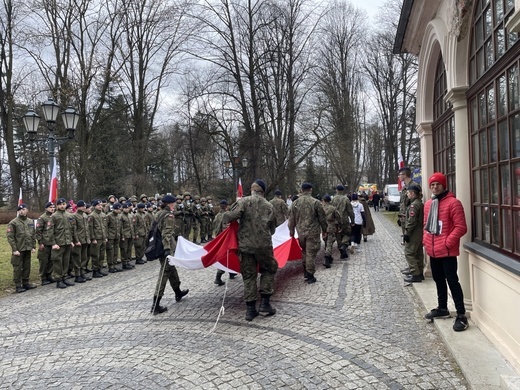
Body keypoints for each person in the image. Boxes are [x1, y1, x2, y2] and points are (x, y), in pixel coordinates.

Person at [223, 180, 278, 321]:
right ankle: (265, 304)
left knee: (249, 276)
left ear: (252, 190)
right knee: (269, 269)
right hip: (264, 246)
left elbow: (228, 217)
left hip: (245, 246)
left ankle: (250, 310)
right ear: (263, 191)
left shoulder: (243, 202)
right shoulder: (269, 206)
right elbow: (272, 229)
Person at [423, 172, 469, 332]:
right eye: (432, 185)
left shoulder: (453, 203)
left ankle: (461, 314)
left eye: (438, 184)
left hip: (447, 251)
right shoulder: (429, 204)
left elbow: (461, 227)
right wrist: (425, 241)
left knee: (452, 282)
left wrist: (448, 243)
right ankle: (442, 307)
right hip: (433, 250)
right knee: (438, 279)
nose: (435, 187)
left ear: (444, 185)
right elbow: (425, 225)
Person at [151, 195, 189, 315]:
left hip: (161, 247)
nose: (175, 206)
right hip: (165, 248)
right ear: (170, 204)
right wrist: (167, 249)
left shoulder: (159, 213)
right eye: (173, 204)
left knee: (171, 269)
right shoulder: (169, 216)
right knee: (164, 273)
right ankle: (155, 304)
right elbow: (166, 234)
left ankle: (177, 292)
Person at [288, 182, 327, 284]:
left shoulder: (295, 203)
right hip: (313, 232)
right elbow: (322, 218)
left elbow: (291, 219)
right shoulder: (316, 202)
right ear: (311, 190)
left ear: (301, 190)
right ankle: (310, 274)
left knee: (305, 251)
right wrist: (324, 230)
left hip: (301, 232)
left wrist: (291, 231)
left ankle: (306, 270)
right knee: (311, 253)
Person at [6, 203, 37, 293]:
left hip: (28, 248)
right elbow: (10, 237)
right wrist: (14, 249)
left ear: (27, 210)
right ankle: (18, 285)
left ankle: (26, 282)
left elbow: (33, 234)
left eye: (23, 209)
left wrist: (33, 246)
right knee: (17, 267)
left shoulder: (30, 222)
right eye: (20, 210)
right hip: (19, 249)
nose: (22, 211)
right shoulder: (13, 223)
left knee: (27, 266)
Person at [48, 198, 75, 289]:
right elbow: (50, 231)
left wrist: (71, 240)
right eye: (60, 204)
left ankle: (64, 277)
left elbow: (71, 229)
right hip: (58, 243)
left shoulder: (69, 215)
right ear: (57, 205)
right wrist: (53, 243)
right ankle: (58, 279)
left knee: (66, 261)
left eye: (64, 204)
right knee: (57, 262)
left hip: (67, 242)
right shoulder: (54, 216)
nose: (62, 206)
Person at [402, 185, 425, 283]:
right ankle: (419, 272)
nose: (407, 195)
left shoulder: (414, 205)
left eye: (408, 193)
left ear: (412, 193)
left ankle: (415, 273)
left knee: (409, 252)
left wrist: (407, 232)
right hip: (419, 231)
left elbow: (412, 220)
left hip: (414, 231)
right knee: (418, 252)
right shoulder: (419, 203)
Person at [212, 199, 236, 286]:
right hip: (225, 239)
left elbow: (215, 227)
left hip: (219, 239)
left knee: (230, 256)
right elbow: (226, 228)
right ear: (226, 206)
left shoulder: (217, 216)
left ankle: (232, 273)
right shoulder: (226, 215)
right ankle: (218, 277)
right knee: (225, 257)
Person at [331, 184, 354, 259]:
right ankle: (344, 246)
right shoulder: (346, 199)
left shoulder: (333, 199)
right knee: (347, 234)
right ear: (343, 190)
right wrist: (352, 220)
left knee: (338, 236)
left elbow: (331, 210)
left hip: (336, 220)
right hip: (344, 219)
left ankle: (342, 252)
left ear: (336, 190)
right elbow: (350, 211)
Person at [35, 201, 56, 285]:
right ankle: (43, 277)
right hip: (45, 242)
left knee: (51, 260)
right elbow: (38, 231)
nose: (52, 209)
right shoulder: (42, 218)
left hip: (52, 242)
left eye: (53, 207)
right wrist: (40, 242)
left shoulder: (54, 217)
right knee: (44, 261)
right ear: (46, 208)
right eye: (50, 207)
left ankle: (49, 275)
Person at [71, 200, 91, 283]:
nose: (84, 207)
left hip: (85, 239)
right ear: (79, 207)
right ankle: (77, 274)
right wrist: (76, 240)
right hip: (79, 240)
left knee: (84, 257)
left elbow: (87, 228)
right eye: (83, 206)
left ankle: (82, 272)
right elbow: (74, 230)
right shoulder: (74, 216)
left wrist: (88, 238)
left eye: (85, 206)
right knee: (77, 258)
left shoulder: (85, 215)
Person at [321, 194, 341, 268]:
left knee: (326, 242)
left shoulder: (320, 208)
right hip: (331, 227)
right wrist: (339, 226)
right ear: (330, 200)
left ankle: (329, 258)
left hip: (323, 228)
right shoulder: (333, 208)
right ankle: (327, 258)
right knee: (329, 243)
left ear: (323, 200)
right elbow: (338, 217)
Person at [398, 167, 413, 246]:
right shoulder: (405, 187)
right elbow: (402, 203)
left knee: (410, 243)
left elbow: (413, 203)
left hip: (410, 217)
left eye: (400, 175)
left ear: (405, 175)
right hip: (403, 216)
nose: (399, 176)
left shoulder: (413, 186)